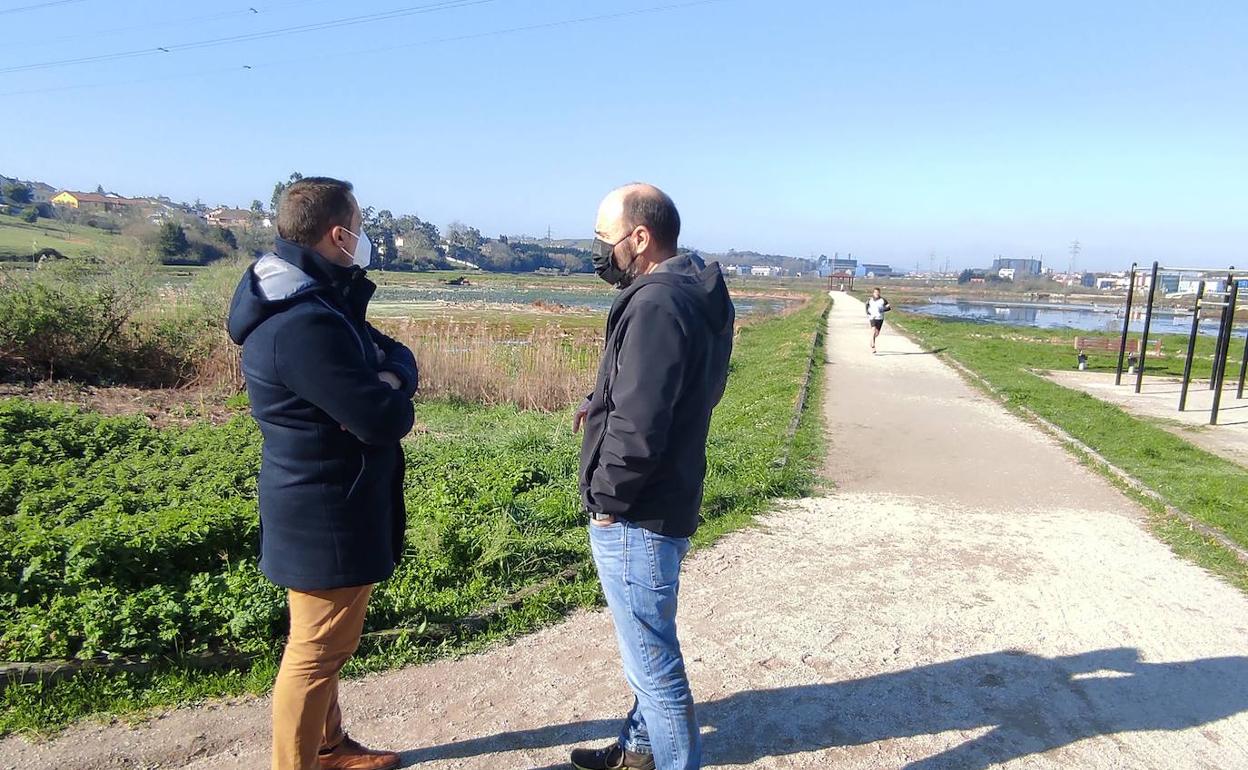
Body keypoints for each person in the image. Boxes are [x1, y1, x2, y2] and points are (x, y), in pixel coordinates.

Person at [227, 177, 419, 770]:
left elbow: (395, 356)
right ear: (341, 234)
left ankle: (330, 747)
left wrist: (385, 377)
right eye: (360, 225)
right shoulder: (305, 325)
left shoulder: (312, 299)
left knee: (324, 646)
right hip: (326, 510)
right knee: (314, 653)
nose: (364, 237)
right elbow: (384, 418)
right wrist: (385, 388)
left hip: (326, 498)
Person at [571, 184, 735, 770]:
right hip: (671, 488)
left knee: (652, 659)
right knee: (650, 639)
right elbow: (684, 389)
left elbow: (641, 424)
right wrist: (603, 401)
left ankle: (670, 759)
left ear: (640, 237)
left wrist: (607, 497)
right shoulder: (694, 291)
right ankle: (640, 750)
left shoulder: (657, 303)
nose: (599, 250)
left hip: (638, 510)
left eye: (603, 237)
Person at [866, 287, 891, 352]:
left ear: (879, 293)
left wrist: (883, 309)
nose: (876, 293)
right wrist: (868, 312)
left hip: (880, 318)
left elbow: (889, 307)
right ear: (873, 293)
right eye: (875, 292)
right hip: (872, 317)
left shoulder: (883, 300)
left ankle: (871, 340)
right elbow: (867, 306)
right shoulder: (870, 300)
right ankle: (873, 346)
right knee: (873, 330)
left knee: (876, 333)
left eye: (878, 292)